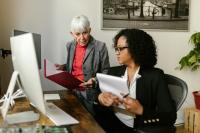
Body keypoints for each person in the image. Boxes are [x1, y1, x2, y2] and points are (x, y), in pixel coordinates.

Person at [95, 29, 177, 133]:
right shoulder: (113, 72)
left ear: (135, 48)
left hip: (137, 128)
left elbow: (170, 116)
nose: (117, 53)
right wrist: (100, 98)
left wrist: (141, 110)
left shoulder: (155, 76)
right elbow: (98, 103)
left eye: (120, 49)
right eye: (116, 48)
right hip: (112, 122)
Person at [56, 15, 110, 116]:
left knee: (90, 121)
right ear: (72, 34)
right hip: (72, 90)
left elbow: (106, 70)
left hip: (90, 93)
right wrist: (63, 67)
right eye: (77, 34)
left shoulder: (100, 46)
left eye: (85, 33)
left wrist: (95, 80)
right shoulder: (70, 45)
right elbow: (73, 65)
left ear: (90, 30)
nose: (82, 38)